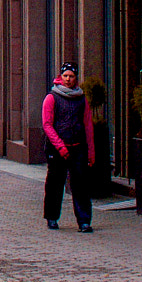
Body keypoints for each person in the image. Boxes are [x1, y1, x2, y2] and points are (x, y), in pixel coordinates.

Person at [42, 62, 97, 233]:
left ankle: (84, 221)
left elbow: (88, 125)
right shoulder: (52, 97)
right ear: (60, 77)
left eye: (71, 76)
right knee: (55, 184)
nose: (68, 79)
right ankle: (52, 217)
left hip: (77, 146)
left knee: (81, 185)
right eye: (65, 76)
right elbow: (47, 125)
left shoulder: (81, 98)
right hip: (58, 149)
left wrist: (91, 152)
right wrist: (60, 146)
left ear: (76, 78)